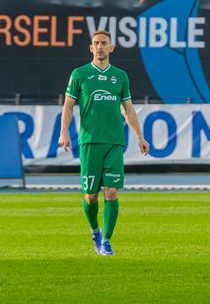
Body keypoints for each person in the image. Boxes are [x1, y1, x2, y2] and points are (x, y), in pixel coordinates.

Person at [58, 30, 150, 256]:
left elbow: (128, 110)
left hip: (114, 142)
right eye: (96, 43)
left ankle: (107, 241)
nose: (100, 47)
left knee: (111, 192)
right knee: (90, 196)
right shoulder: (80, 74)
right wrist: (64, 132)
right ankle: (95, 231)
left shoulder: (120, 76)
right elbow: (68, 105)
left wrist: (140, 137)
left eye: (104, 43)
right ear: (91, 47)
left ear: (111, 48)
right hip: (90, 142)